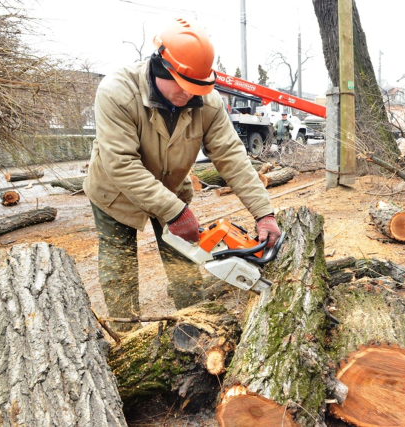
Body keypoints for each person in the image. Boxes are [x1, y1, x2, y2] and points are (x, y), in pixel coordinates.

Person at [83, 18, 281, 331]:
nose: (189, 95)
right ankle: (127, 335)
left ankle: (198, 324)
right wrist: (175, 211)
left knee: (185, 259)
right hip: (115, 190)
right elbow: (121, 163)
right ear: (160, 67)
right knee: (119, 264)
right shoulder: (118, 92)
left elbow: (231, 157)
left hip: (171, 184)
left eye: (196, 88)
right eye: (182, 85)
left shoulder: (207, 102)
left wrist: (264, 214)